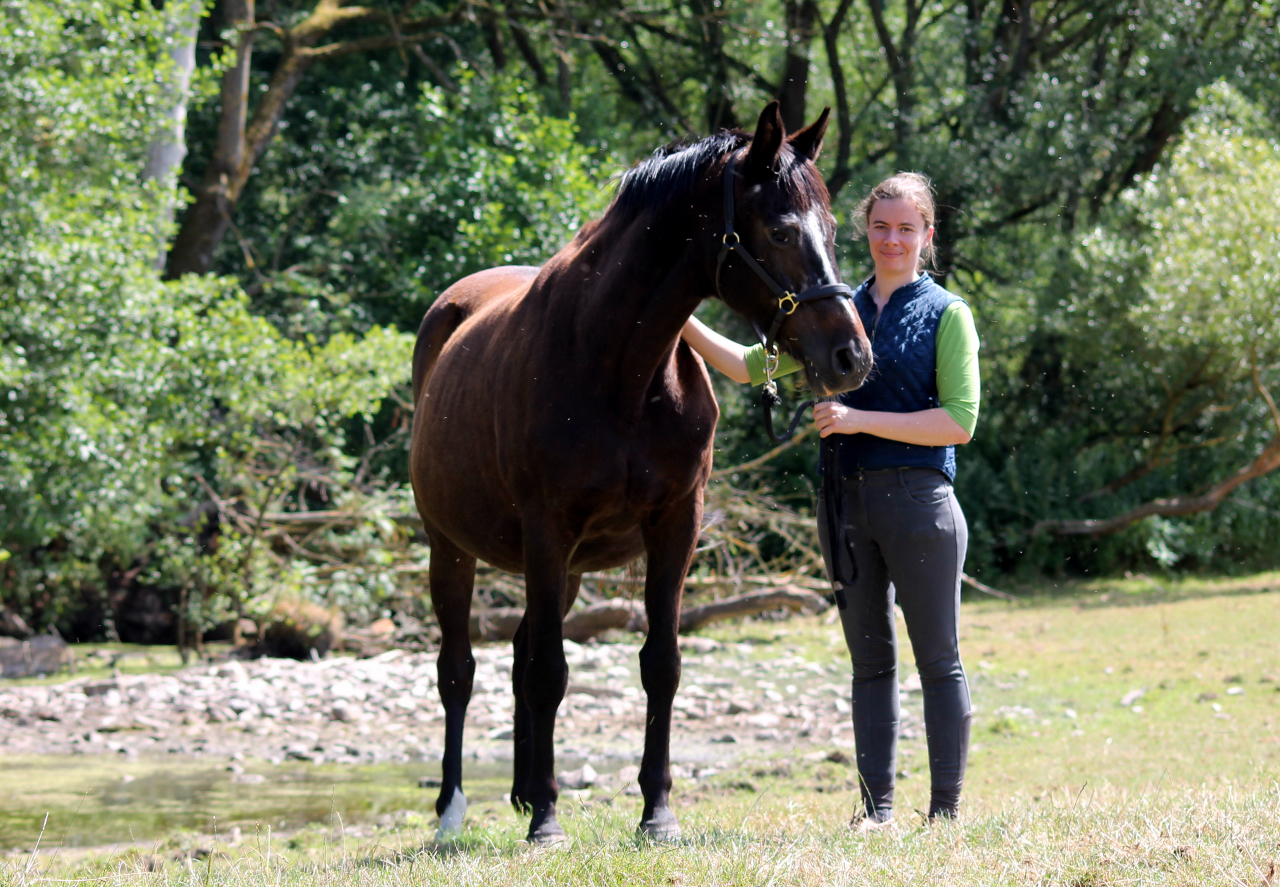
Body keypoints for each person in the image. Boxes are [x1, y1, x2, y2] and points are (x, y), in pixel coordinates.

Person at [681, 172, 980, 828]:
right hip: (843, 505)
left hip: (920, 502)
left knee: (938, 659)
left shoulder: (947, 314)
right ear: (863, 232)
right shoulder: (832, 311)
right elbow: (745, 367)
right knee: (870, 663)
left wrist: (856, 420)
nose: (892, 238)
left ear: (927, 236)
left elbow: (959, 421)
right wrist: (681, 320)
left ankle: (945, 814)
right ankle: (876, 812)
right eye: (881, 226)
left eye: (906, 228)